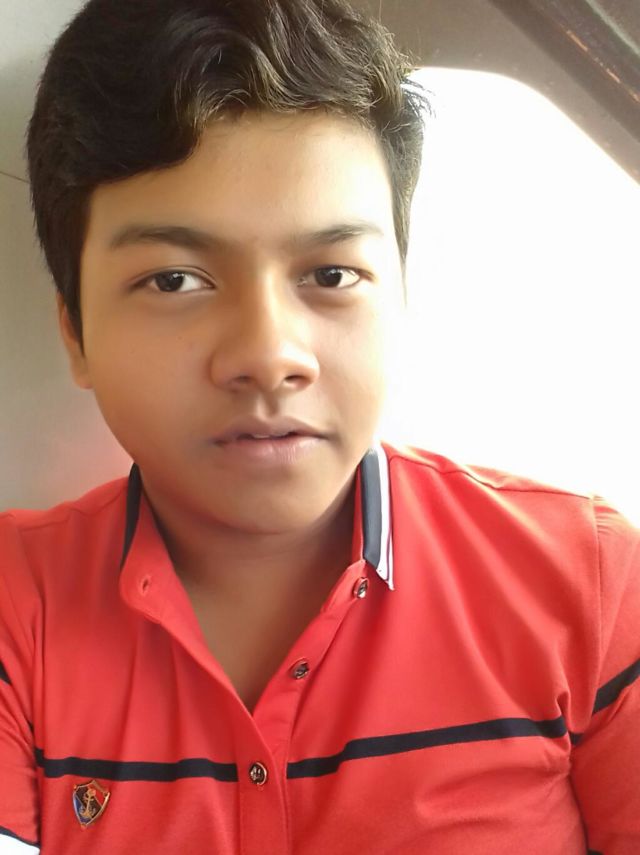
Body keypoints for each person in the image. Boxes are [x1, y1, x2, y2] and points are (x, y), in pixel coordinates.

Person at [1, 0, 638, 852]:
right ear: (76, 332)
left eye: (331, 273)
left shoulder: (588, 584)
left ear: (401, 297)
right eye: (174, 280)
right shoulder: (15, 613)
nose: (269, 357)